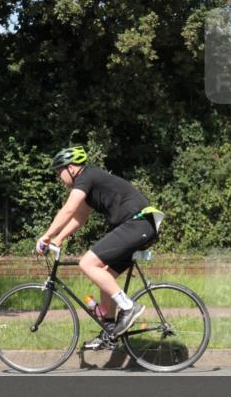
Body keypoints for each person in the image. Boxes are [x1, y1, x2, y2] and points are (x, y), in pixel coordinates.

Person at [36, 146, 162, 341]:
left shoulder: (86, 176)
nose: (59, 177)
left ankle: (129, 307)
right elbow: (79, 216)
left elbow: (68, 209)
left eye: (59, 172)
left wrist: (46, 235)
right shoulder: (89, 183)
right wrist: (58, 239)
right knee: (104, 274)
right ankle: (110, 331)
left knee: (87, 263)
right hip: (138, 226)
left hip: (138, 223)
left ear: (71, 168)